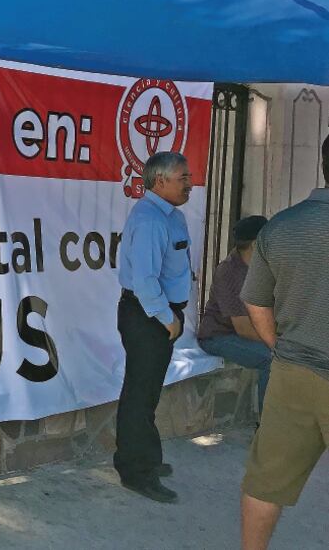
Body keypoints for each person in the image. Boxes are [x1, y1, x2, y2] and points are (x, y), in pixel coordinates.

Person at [239, 133, 329, 550]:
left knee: (266, 481)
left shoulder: (281, 227)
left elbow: (255, 302)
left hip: (292, 372)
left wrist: (281, 346)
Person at [114, 151, 193, 504]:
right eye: (182, 178)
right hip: (149, 317)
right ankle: (136, 472)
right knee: (139, 396)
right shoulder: (150, 220)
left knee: (147, 396)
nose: (189, 183)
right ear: (159, 181)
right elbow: (145, 281)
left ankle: (145, 457)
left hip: (161, 316)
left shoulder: (172, 216)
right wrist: (168, 319)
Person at [197, 215, 272, 413]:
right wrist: (277, 343)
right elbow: (243, 329)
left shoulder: (262, 266)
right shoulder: (229, 271)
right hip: (219, 336)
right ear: (256, 244)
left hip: (252, 332)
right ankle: (267, 427)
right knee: (272, 358)